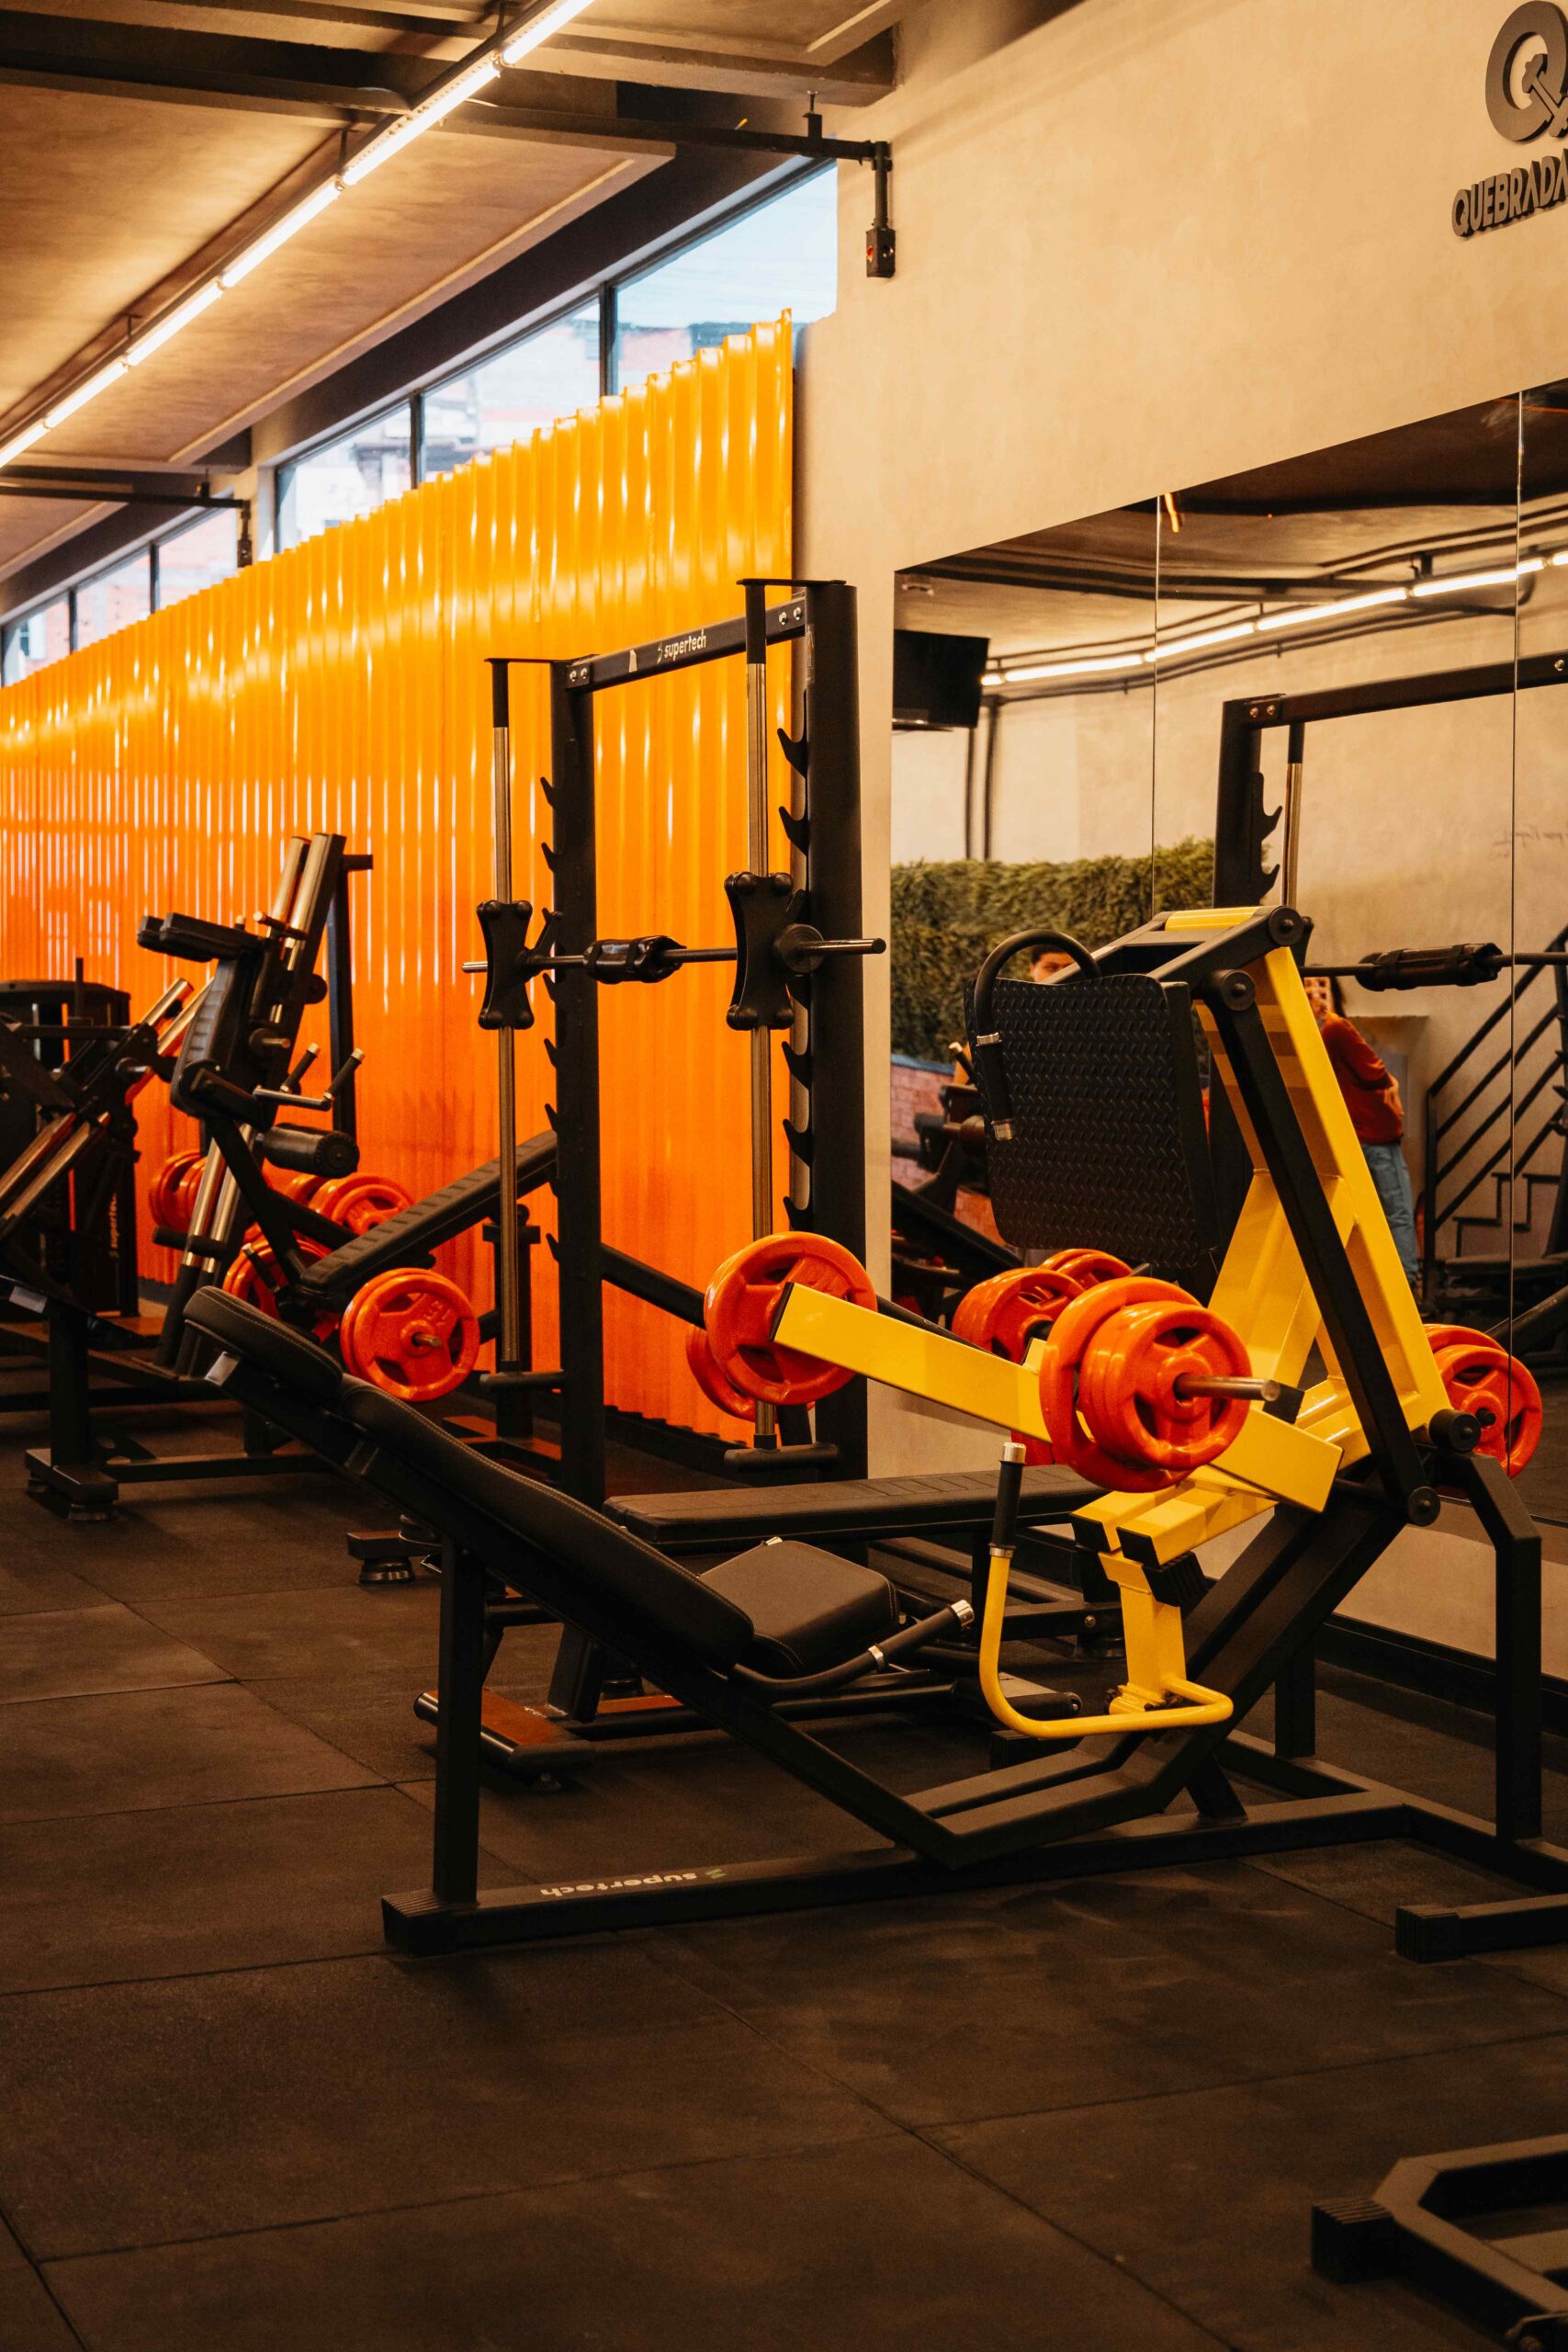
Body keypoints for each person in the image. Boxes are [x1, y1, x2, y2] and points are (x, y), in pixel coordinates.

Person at [1303, 971, 1420, 1288]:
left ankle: (1376, 1282)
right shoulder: (1337, 1027)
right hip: (1373, 1132)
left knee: (1359, 1213)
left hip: (1346, 1135)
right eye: (1310, 987)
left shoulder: (1311, 1034)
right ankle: (1405, 1281)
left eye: (1320, 986)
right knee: (1395, 1209)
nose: (1315, 993)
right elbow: (1374, 1071)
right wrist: (1391, 1084)